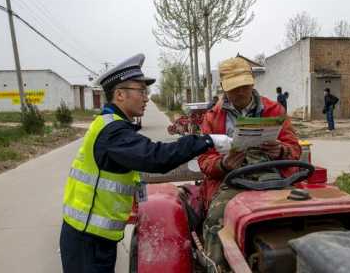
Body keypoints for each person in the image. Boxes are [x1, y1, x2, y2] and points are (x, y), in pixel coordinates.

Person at [59, 53, 231, 273]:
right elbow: (156, 157)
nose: (146, 97)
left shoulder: (114, 125)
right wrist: (207, 140)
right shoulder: (113, 132)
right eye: (141, 91)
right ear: (120, 94)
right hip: (87, 239)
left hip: (94, 235)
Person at [198, 57, 301, 271]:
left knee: (305, 212)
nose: (241, 92)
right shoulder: (212, 117)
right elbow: (205, 161)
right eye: (234, 88)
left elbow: (294, 149)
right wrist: (224, 164)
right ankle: (216, 267)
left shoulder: (275, 110)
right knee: (217, 221)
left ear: (252, 82)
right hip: (231, 182)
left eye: (245, 85)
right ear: (224, 88)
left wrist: (281, 150)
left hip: (274, 179)